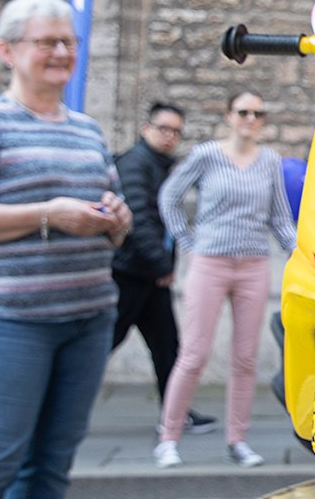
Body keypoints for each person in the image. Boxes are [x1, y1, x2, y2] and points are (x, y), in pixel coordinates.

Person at [0, 0, 133, 499]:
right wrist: (49, 214)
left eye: (69, 41)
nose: (62, 52)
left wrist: (117, 220)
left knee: (49, 471)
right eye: (47, 41)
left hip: (88, 320)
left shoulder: (87, 129)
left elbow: (114, 219)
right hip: (11, 325)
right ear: (8, 50)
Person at [152, 91, 295, 469]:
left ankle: (238, 439)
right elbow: (169, 196)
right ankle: (167, 437)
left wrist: (299, 251)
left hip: (253, 264)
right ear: (229, 116)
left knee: (245, 358)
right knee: (194, 353)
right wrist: (186, 241)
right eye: (244, 112)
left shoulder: (269, 161)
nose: (251, 118)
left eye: (258, 113)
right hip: (210, 261)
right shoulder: (206, 155)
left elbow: (279, 217)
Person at [109, 102, 218, 438]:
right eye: (164, 129)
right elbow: (138, 220)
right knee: (104, 341)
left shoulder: (160, 165)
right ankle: (56, 405)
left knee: (166, 344)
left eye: (176, 131)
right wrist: (160, 264)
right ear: (146, 129)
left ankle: (177, 413)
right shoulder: (136, 163)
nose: (170, 136)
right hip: (130, 273)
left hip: (149, 275)